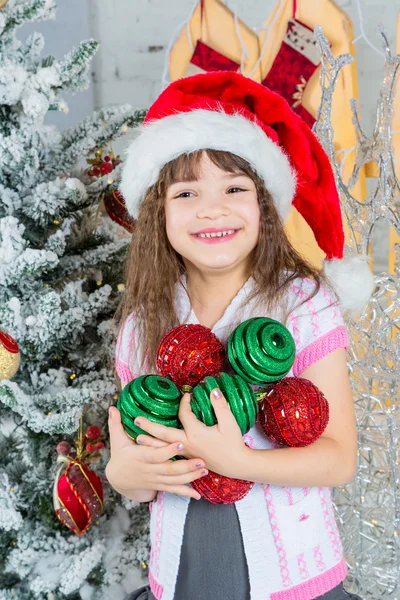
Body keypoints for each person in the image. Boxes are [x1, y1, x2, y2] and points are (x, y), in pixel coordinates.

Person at [106, 72, 373, 600]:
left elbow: (339, 458)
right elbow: (134, 478)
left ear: (264, 206)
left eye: (234, 188)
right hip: (186, 573)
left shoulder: (302, 305)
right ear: (159, 213)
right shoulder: (144, 324)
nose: (212, 209)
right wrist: (124, 474)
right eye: (187, 192)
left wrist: (240, 463)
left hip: (293, 576)